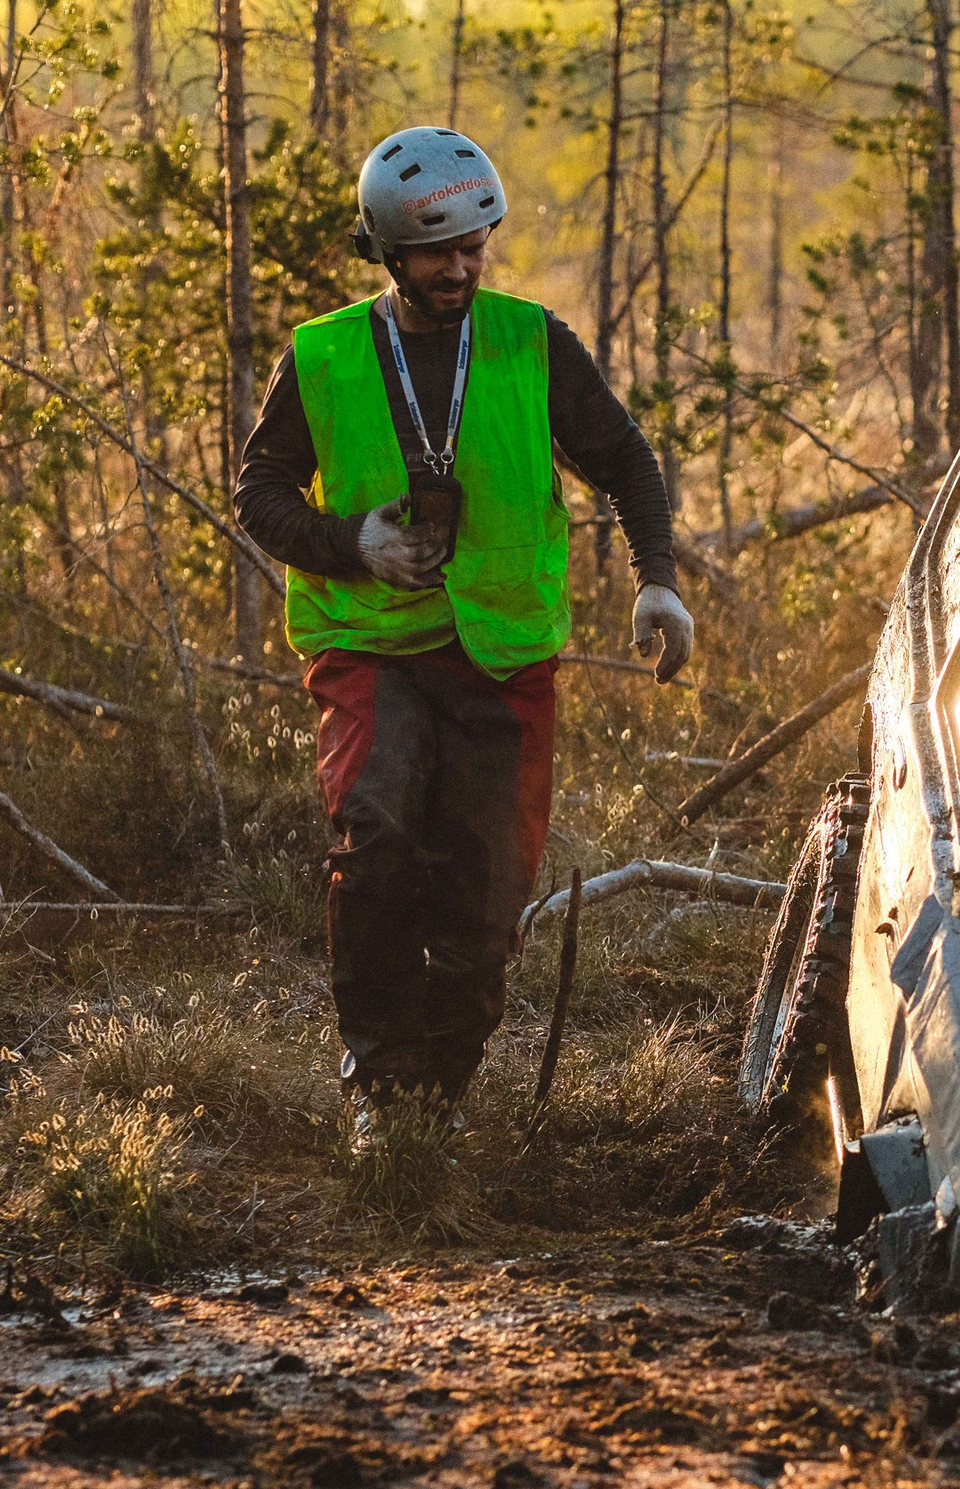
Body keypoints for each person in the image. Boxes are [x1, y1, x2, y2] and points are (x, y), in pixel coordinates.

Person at [235, 126, 692, 1131]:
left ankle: (435, 1092)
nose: (463, 266)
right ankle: (376, 1082)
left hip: (504, 656)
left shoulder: (531, 343)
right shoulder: (323, 355)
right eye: (440, 250)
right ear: (389, 253)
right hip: (370, 646)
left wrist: (657, 579)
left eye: (477, 245)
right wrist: (349, 539)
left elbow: (624, 461)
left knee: (487, 891)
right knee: (379, 832)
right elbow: (258, 494)